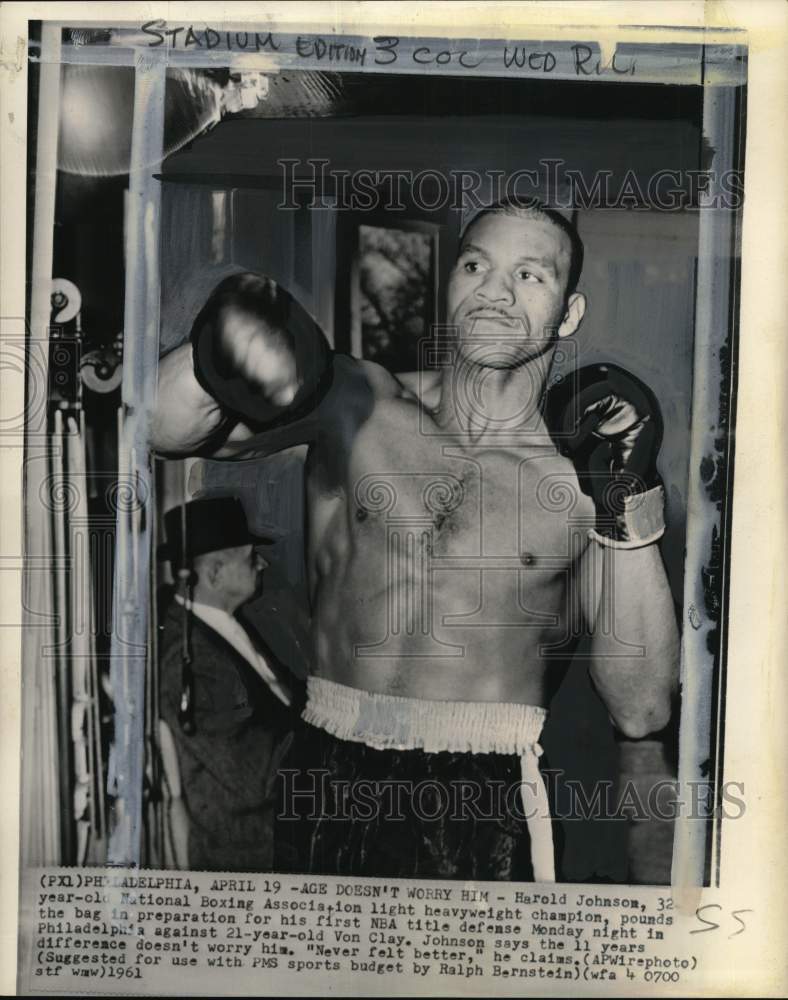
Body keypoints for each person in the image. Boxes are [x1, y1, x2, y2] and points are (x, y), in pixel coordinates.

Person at [152, 199, 679, 882]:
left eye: (530, 275)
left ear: (569, 313)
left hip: (482, 791)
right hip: (329, 758)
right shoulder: (358, 402)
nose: (495, 290)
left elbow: (641, 708)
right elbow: (162, 431)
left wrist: (627, 500)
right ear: (451, 281)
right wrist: (210, 359)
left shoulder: (576, 476)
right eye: (476, 265)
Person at [158, 496, 299, 872]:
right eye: (252, 557)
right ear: (216, 572)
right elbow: (254, 774)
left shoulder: (220, 625)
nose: (263, 564)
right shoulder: (189, 657)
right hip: (251, 859)